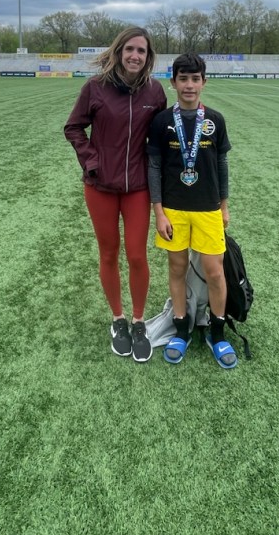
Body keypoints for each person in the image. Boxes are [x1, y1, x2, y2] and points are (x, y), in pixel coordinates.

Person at [64, 27, 167, 362]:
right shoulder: (95, 87)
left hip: (137, 187)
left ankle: (138, 322)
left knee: (137, 255)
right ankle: (118, 319)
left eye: (141, 51)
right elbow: (73, 127)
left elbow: (159, 139)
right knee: (108, 253)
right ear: (119, 51)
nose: (135, 56)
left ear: (148, 57)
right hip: (100, 187)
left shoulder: (155, 91)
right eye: (130, 49)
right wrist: (92, 161)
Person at [147, 52, 237, 368]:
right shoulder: (161, 121)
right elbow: (154, 167)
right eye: (183, 79)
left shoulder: (215, 120)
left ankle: (217, 333)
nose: (189, 85)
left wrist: (224, 206)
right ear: (173, 83)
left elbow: (222, 164)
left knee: (214, 272)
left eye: (195, 79)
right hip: (173, 209)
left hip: (208, 209)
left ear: (204, 82)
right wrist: (159, 212)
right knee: (177, 269)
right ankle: (181, 330)